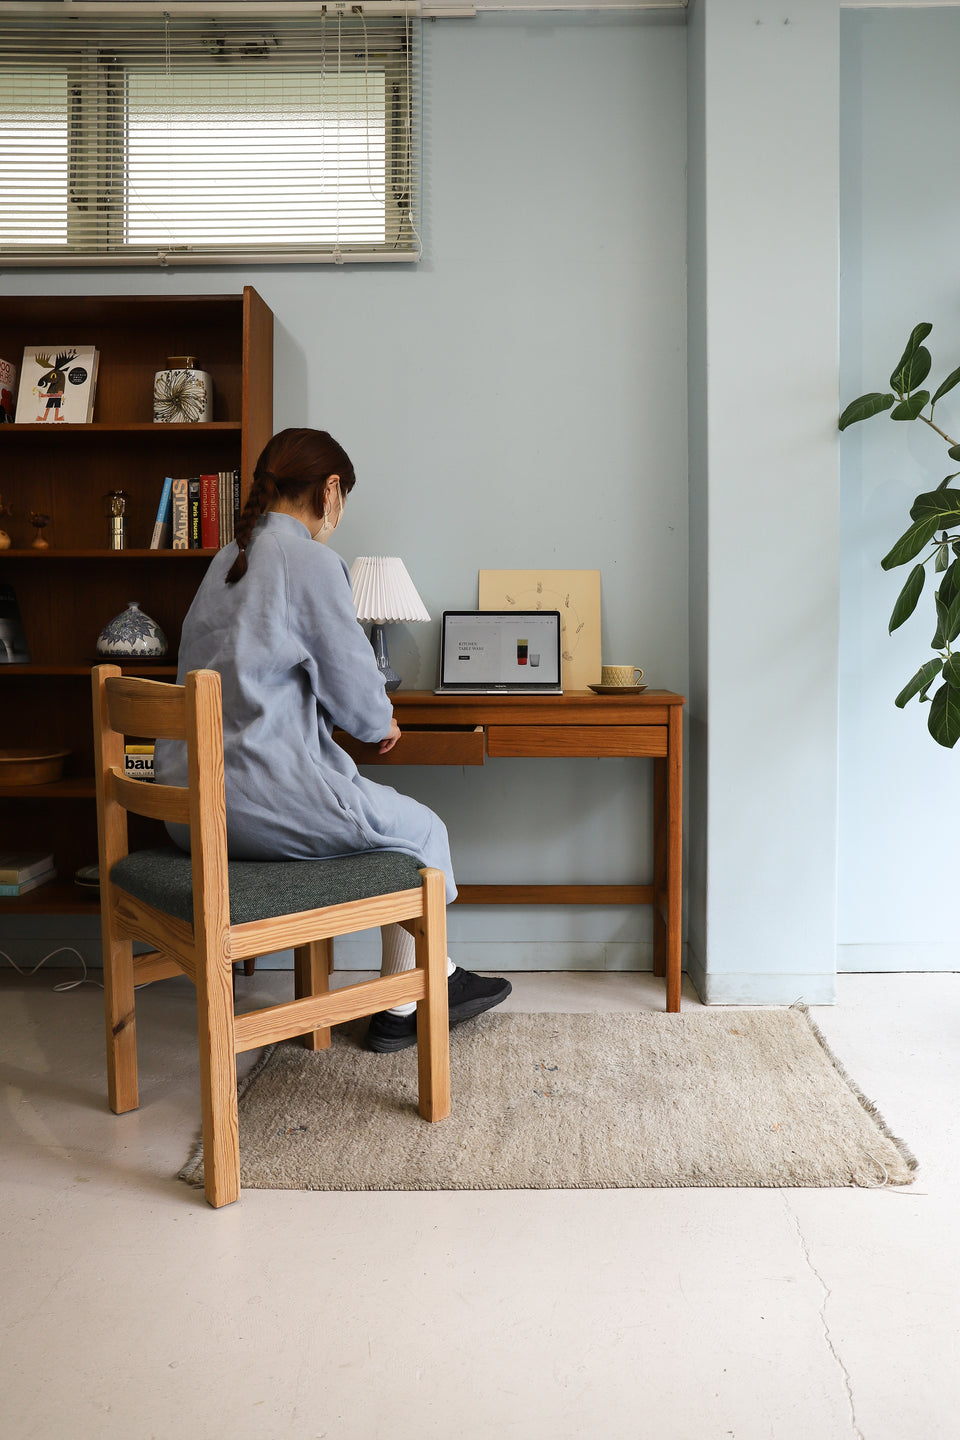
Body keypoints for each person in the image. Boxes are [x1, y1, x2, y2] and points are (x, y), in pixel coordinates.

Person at [154, 427, 511, 1052]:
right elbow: (360, 700)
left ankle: (435, 978)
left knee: (390, 821)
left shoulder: (223, 561)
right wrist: (382, 723)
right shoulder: (309, 562)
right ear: (331, 491)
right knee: (423, 831)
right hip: (265, 806)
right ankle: (405, 1003)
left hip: (189, 813)